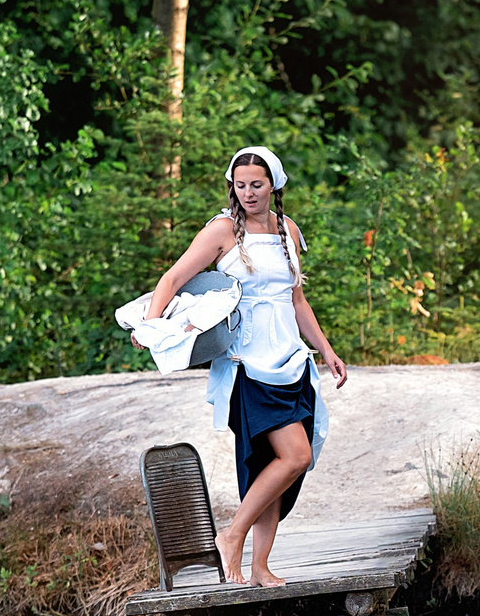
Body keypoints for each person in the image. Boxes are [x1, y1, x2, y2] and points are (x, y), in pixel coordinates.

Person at [138, 147, 350, 586]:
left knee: (274, 463)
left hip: (290, 357)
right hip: (247, 363)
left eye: (257, 184)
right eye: (241, 185)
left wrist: (326, 350)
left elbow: (297, 300)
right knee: (296, 455)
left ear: (273, 185)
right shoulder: (221, 230)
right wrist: (153, 326)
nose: (249, 193)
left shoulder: (286, 230)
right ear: (232, 187)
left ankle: (259, 565)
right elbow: (173, 279)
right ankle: (232, 536)